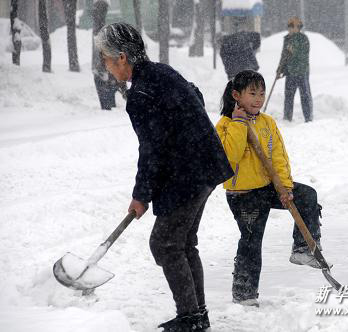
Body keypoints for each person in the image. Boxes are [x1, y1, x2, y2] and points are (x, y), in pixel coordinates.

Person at [95, 22, 234, 332]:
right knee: (183, 243)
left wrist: (141, 195)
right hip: (204, 164)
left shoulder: (142, 94)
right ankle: (197, 315)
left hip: (188, 172)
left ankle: (191, 318)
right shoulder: (160, 72)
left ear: (121, 57)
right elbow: (194, 95)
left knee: (165, 243)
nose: (104, 64)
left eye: (105, 57)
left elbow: (152, 150)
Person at [215, 70, 323, 307]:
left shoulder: (267, 123)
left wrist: (285, 186)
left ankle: (304, 247)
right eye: (252, 93)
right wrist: (239, 124)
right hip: (243, 195)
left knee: (307, 196)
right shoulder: (225, 125)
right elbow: (230, 155)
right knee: (252, 240)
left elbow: (279, 157)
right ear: (236, 95)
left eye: (261, 94)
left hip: (267, 187)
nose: (258, 99)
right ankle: (245, 294)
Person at [276, 16, 313, 122]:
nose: (290, 29)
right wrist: (280, 69)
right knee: (288, 96)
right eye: (289, 26)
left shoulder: (303, 39)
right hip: (290, 72)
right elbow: (284, 55)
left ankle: (308, 118)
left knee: (305, 95)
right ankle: (287, 118)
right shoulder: (287, 39)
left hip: (302, 71)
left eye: (293, 26)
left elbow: (303, 54)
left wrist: (293, 50)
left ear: (298, 27)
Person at [91, 0, 126, 110]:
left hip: (105, 74)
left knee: (108, 106)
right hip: (104, 74)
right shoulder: (100, 33)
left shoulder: (101, 33)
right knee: (107, 106)